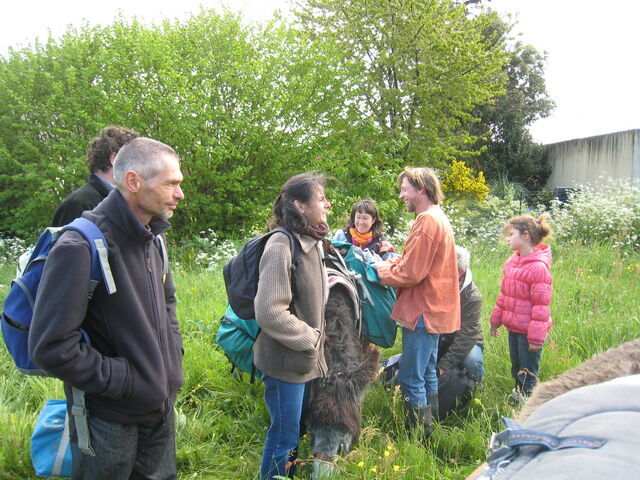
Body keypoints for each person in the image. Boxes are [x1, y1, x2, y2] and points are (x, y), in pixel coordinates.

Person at [29, 137, 185, 479]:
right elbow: (50, 347)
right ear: (133, 181)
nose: (180, 194)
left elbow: (167, 303)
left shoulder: (154, 238)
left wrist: (172, 359)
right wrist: (127, 381)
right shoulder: (79, 245)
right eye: (171, 184)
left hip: (160, 410)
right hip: (108, 421)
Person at [254, 173, 331, 480]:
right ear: (300, 206)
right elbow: (269, 312)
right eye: (321, 199)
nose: (327, 204)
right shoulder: (281, 244)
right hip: (286, 362)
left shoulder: (312, 241)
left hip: (303, 359)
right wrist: (311, 338)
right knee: (283, 438)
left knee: (294, 434)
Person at [372, 167, 460, 438]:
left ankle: (418, 438)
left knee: (411, 377)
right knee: (428, 372)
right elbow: (415, 261)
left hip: (422, 311)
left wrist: (379, 271)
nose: (401, 196)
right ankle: (430, 431)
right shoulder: (437, 217)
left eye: (405, 189)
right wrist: (391, 264)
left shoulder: (427, 221)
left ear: (421, 189)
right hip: (434, 309)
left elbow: (411, 273)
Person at [490, 214, 553, 404]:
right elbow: (504, 296)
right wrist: (495, 321)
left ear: (525, 235)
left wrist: (535, 339)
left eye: (511, 234)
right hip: (514, 328)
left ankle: (530, 405)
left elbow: (541, 307)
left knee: (528, 372)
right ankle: (519, 397)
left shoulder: (538, 268)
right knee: (517, 367)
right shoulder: (511, 262)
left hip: (529, 333)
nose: (508, 239)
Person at [51, 125, 138, 226]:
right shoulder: (77, 205)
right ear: (115, 159)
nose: (140, 167)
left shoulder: (127, 202)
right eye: (135, 159)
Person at [438, 245, 484, 383]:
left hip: (464, 339)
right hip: (438, 335)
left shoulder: (472, 297)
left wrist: (444, 365)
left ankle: (476, 383)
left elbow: (467, 335)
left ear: (460, 272)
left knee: (472, 361)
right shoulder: (435, 284)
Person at [332, 199, 397, 261]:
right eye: (358, 217)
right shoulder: (341, 235)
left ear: (373, 220)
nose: (361, 222)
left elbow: (391, 264)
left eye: (365, 218)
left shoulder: (381, 242)